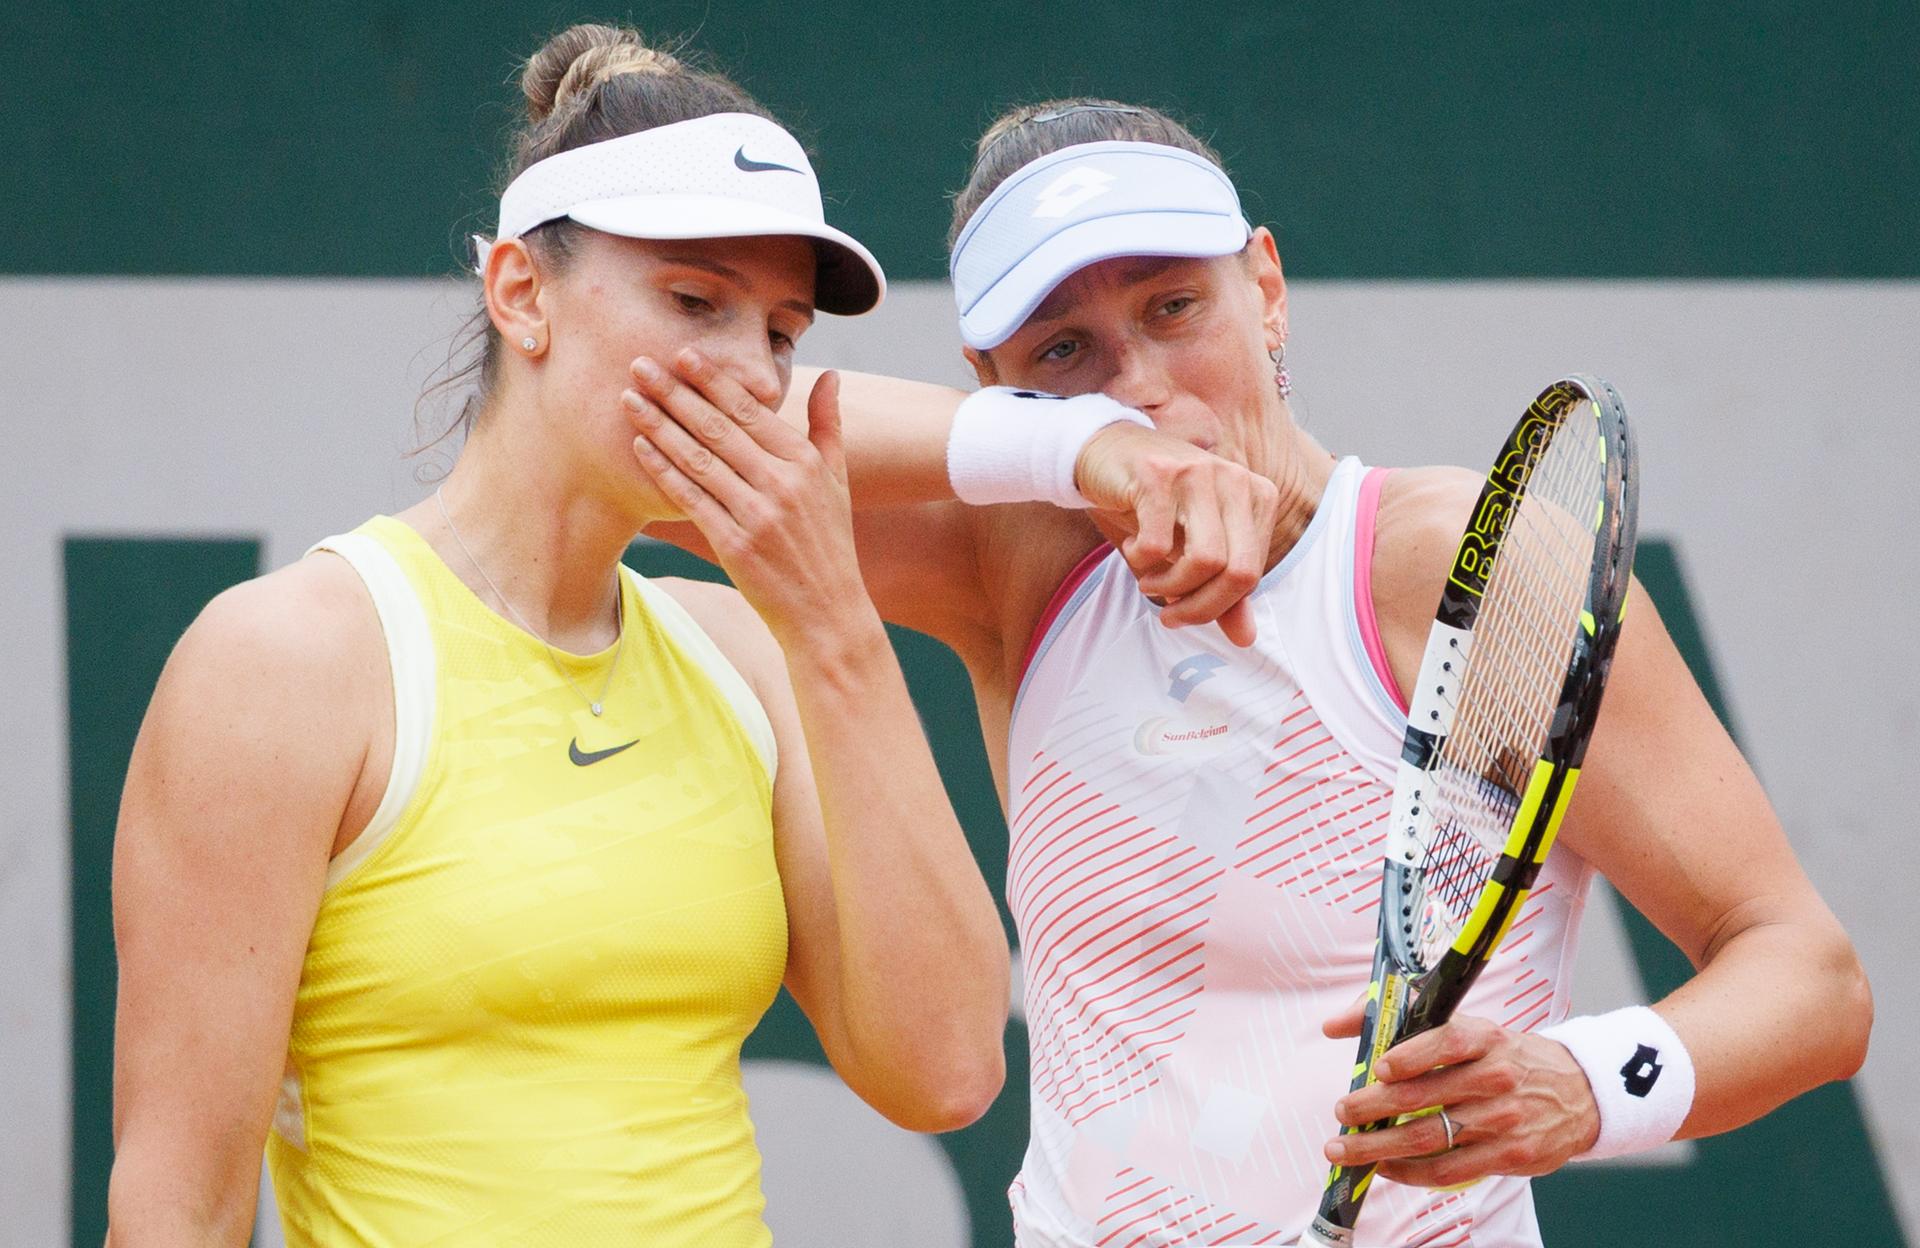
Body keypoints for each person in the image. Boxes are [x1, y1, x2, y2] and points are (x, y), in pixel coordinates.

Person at [625, 98, 1873, 1246]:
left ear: (1266, 289)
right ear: (993, 392)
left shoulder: (1458, 565)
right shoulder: (1017, 562)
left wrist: (1590, 1084)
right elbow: (649, 443)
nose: (1142, 386)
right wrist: (1083, 456)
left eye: (1176, 309)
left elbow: (1808, 978)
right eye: (1065, 353)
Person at [105, 24, 1008, 1248]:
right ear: (521, 295)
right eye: (695, 301)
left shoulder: (747, 651)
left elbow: (947, 1069)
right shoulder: (289, 663)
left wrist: (837, 627)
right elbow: (179, 1209)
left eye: (782, 334)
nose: (749, 373)